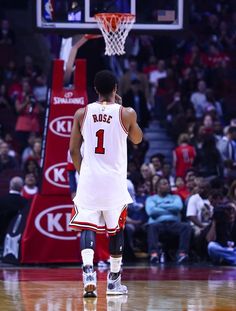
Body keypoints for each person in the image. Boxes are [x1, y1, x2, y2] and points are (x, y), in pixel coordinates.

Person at [69, 70, 143, 297]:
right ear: (116, 89)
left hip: (90, 179)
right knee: (116, 230)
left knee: (87, 227)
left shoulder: (81, 113)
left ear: (94, 89)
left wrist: (85, 173)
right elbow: (137, 139)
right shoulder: (126, 113)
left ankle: (89, 274)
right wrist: (127, 113)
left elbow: (73, 151)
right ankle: (113, 281)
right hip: (114, 182)